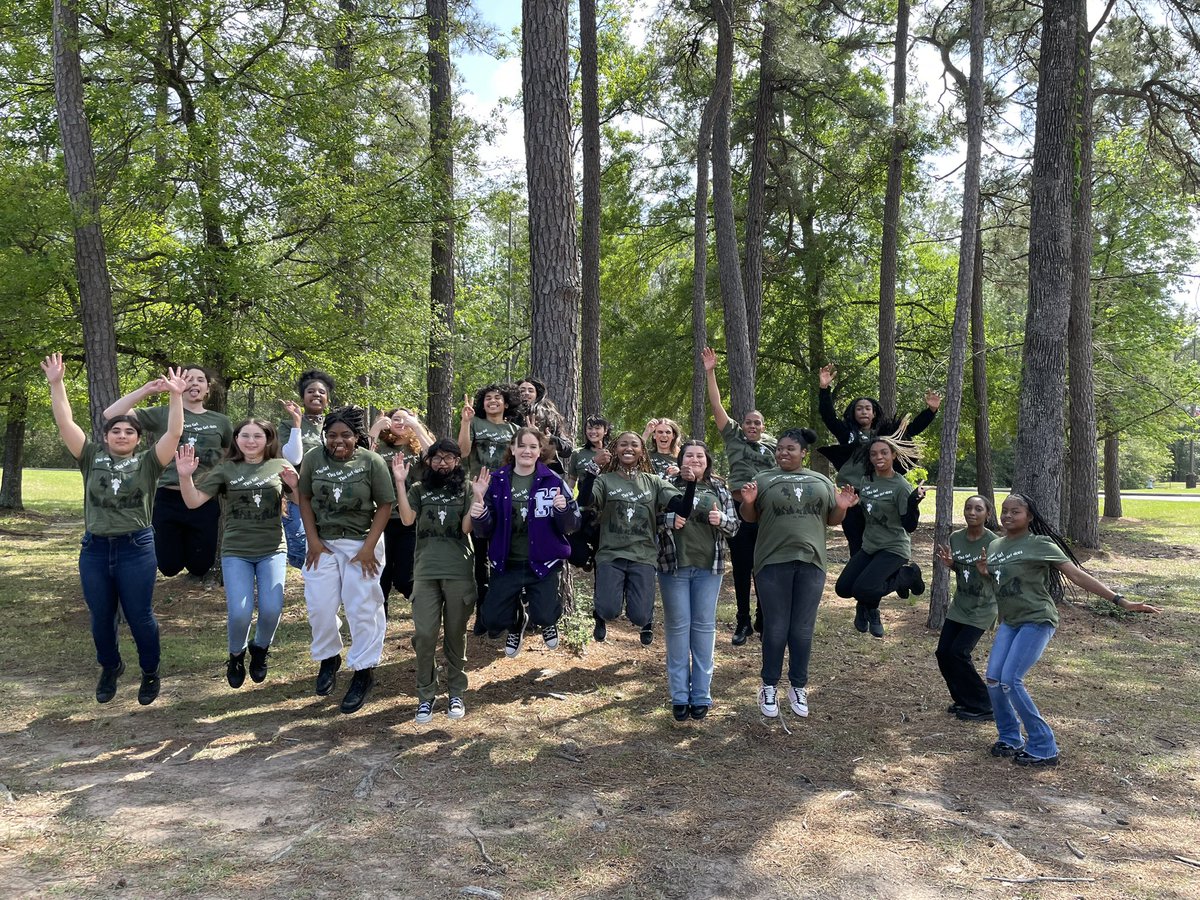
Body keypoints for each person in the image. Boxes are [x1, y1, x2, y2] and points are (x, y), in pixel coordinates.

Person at [42, 354, 187, 705]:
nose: (122, 434)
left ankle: (150, 672)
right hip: (94, 549)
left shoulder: (149, 462)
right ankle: (110, 667)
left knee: (140, 616)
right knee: (101, 616)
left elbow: (174, 432)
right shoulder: (90, 457)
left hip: (136, 547)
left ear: (138, 438)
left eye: (129, 431)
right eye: (116, 431)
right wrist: (56, 383)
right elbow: (65, 424)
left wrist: (176, 395)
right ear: (106, 437)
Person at [975, 493, 1160, 767]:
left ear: (1029, 517)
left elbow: (1076, 574)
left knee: (1010, 680)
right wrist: (985, 573)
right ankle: (1010, 737)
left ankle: (1044, 746)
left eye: (1015, 512)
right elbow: (1003, 583)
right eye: (1004, 511)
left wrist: (1120, 601)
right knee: (993, 678)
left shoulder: (1040, 543)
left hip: (1037, 620)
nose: (1008, 516)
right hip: (1010, 622)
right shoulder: (995, 546)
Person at [739, 428, 858, 719]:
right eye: (780, 448)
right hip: (771, 562)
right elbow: (749, 517)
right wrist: (749, 501)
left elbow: (832, 519)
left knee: (802, 630)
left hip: (811, 562)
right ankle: (769, 686)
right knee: (776, 628)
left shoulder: (821, 481)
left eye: (790, 448)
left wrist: (842, 507)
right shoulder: (764, 479)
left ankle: (798, 686)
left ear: (803, 453)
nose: (783, 453)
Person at [176, 419, 296, 688]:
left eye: (257, 436)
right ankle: (236, 655)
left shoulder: (280, 466)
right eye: (245, 436)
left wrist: (294, 485)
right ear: (236, 439)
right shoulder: (226, 469)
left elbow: (300, 501)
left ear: (268, 439)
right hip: (236, 551)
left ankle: (260, 649)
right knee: (240, 613)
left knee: (271, 609)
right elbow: (193, 501)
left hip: (272, 549)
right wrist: (185, 476)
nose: (251, 441)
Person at [298, 406, 396, 714]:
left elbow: (385, 505)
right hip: (323, 542)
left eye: (346, 435)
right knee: (319, 605)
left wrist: (368, 548)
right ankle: (329, 657)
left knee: (362, 606)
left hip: (361, 543)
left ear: (358, 437)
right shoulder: (314, 458)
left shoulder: (372, 462)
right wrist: (312, 540)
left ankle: (363, 671)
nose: (338, 441)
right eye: (332, 435)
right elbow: (304, 497)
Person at [103, 366, 233, 578]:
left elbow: (227, 454)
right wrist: (146, 390)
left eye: (200, 380)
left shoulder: (221, 421)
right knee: (168, 566)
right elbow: (111, 414)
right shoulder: (164, 413)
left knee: (200, 566)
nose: (194, 384)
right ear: (180, 385)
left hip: (203, 499)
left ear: (208, 388)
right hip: (167, 497)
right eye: (188, 379)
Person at [576, 431, 698, 646]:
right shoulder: (605, 480)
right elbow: (584, 500)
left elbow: (683, 509)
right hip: (610, 554)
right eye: (623, 444)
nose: (628, 448)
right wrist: (593, 468)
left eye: (634, 444)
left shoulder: (654, 482)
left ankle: (646, 617)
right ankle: (601, 612)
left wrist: (691, 484)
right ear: (615, 450)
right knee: (608, 610)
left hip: (643, 555)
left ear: (643, 452)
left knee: (639, 616)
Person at [469, 428, 581, 657]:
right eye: (521, 446)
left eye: (532, 446)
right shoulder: (497, 480)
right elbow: (484, 531)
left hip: (543, 562)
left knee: (546, 615)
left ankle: (548, 622)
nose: (526, 451)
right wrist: (479, 513)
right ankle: (516, 624)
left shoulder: (554, 480)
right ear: (512, 448)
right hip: (507, 561)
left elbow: (572, 525)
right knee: (491, 620)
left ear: (541, 451)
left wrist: (562, 510)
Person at [390, 439, 476, 723]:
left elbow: (466, 528)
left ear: (457, 462)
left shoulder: (465, 489)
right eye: (436, 458)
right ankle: (426, 695)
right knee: (425, 635)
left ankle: (456, 693)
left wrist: (479, 498)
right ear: (428, 462)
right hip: (425, 570)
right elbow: (405, 520)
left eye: (448, 458)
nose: (442, 463)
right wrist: (400, 482)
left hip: (458, 570)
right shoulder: (418, 489)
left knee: (455, 635)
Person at [816, 363, 940, 555]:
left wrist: (930, 411)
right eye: (859, 409)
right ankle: (859, 576)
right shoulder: (846, 433)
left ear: (874, 413)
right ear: (853, 413)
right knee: (856, 543)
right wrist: (824, 388)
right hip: (853, 495)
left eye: (868, 408)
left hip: (879, 494)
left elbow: (911, 429)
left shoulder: (886, 435)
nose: (864, 411)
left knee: (880, 540)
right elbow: (828, 417)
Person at [657, 440, 739, 721]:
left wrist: (721, 520)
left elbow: (735, 526)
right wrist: (669, 520)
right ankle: (679, 696)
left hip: (709, 569)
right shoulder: (666, 483)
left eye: (699, 456)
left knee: (703, 630)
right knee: (678, 630)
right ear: (681, 460)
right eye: (688, 455)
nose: (693, 460)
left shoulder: (718, 487)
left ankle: (701, 694)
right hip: (673, 567)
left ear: (707, 461)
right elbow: (651, 516)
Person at [702, 346, 777, 645]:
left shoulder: (773, 444)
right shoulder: (733, 434)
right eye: (749, 422)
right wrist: (711, 371)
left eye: (757, 423)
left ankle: (763, 617)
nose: (752, 426)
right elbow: (717, 405)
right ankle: (742, 621)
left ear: (763, 427)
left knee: (764, 565)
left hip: (764, 510)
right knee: (743, 565)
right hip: (736, 507)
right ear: (743, 425)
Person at [834, 434, 927, 638]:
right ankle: (871, 603)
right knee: (843, 588)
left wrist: (913, 503)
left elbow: (909, 526)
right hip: (870, 546)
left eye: (884, 452)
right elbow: (869, 511)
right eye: (874, 453)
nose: (879, 457)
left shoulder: (900, 486)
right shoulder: (866, 480)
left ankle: (906, 575)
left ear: (893, 455)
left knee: (862, 589)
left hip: (893, 548)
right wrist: (854, 505)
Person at [457, 384, 521, 633]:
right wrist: (465, 421)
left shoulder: (515, 430)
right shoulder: (474, 424)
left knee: (505, 553)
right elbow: (462, 452)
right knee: (480, 556)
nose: (493, 401)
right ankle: (483, 613)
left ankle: (508, 610)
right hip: (478, 496)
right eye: (488, 398)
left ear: (506, 404)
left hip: (508, 498)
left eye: (498, 398)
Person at [934, 495, 999, 721]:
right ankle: (963, 700)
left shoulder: (994, 543)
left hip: (983, 607)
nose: (972, 512)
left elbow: (1002, 577)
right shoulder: (956, 538)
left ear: (987, 515)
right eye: (968, 508)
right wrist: (952, 565)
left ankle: (985, 705)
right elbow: (963, 571)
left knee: (959, 652)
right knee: (943, 653)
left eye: (978, 509)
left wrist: (987, 572)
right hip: (960, 605)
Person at [369, 408, 434, 609]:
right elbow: (362, 459)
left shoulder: (418, 447)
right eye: (396, 418)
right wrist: (375, 428)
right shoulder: (381, 446)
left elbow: (436, 455)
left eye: (405, 418)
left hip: (412, 519)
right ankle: (379, 625)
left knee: (406, 577)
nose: (400, 422)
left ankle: (425, 610)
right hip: (382, 518)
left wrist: (416, 426)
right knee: (382, 577)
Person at [280, 370, 335, 569]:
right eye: (311, 391)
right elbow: (293, 458)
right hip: (297, 496)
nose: (316, 395)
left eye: (322, 392)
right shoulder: (287, 425)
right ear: (303, 397)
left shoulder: (335, 425)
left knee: (329, 548)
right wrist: (297, 423)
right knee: (299, 553)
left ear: (328, 398)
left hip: (330, 496)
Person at [567, 415, 611, 488]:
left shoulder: (613, 452)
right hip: (586, 497)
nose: (593, 431)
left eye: (597, 428)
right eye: (590, 428)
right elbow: (572, 479)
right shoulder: (577, 453)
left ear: (605, 431)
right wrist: (567, 496)